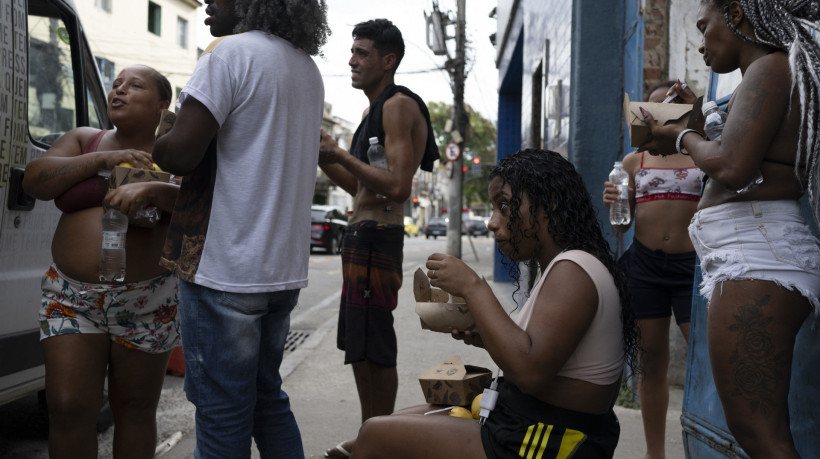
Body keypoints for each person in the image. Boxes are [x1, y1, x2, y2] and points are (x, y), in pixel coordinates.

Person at [323, 149, 639, 459]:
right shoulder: (565, 265)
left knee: (375, 436)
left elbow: (529, 373)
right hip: (528, 422)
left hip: (546, 439)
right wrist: (487, 337)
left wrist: (473, 287)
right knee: (384, 428)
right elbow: (541, 359)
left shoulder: (573, 270)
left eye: (504, 206)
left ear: (549, 205)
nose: (491, 222)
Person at [639, 1, 820, 457]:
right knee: (759, 431)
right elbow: (747, 161)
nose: (700, 44)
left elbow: (732, 166)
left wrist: (681, 136)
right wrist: (697, 126)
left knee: (760, 434)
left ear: (736, 14)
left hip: (756, 256)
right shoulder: (773, 72)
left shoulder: (770, 68)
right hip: (751, 254)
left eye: (704, 27)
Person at [151, 0, 329, 457]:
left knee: (221, 411)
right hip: (279, 271)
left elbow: (178, 155)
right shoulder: (306, 68)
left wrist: (160, 133)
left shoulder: (227, 55)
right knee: (266, 399)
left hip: (226, 270)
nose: (210, 3)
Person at [22, 65, 179, 459]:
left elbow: (205, 206)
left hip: (148, 302)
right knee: (68, 406)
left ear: (163, 105)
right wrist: (104, 159)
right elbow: (35, 181)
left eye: (135, 86)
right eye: (116, 85)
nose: (119, 91)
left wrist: (157, 189)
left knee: (136, 411)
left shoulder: (178, 154)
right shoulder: (85, 139)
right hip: (72, 298)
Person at [317, 18, 440, 457]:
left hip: (380, 235)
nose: (352, 60)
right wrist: (328, 155)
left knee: (376, 340)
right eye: (352, 52)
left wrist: (339, 155)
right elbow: (360, 188)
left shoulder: (398, 105)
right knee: (359, 344)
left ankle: (379, 440)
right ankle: (369, 432)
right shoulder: (371, 111)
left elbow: (398, 186)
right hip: (361, 230)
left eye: (362, 52)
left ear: (388, 61)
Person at [603, 80, 702, 459]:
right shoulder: (635, 160)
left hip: (692, 266)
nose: (660, 115)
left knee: (706, 356)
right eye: (653, 108)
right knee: (651, 361)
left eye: (670, 108)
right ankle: (655, 453)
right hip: (644, 265)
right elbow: (621, 226)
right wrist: (615, 203)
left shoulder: (702, 152)